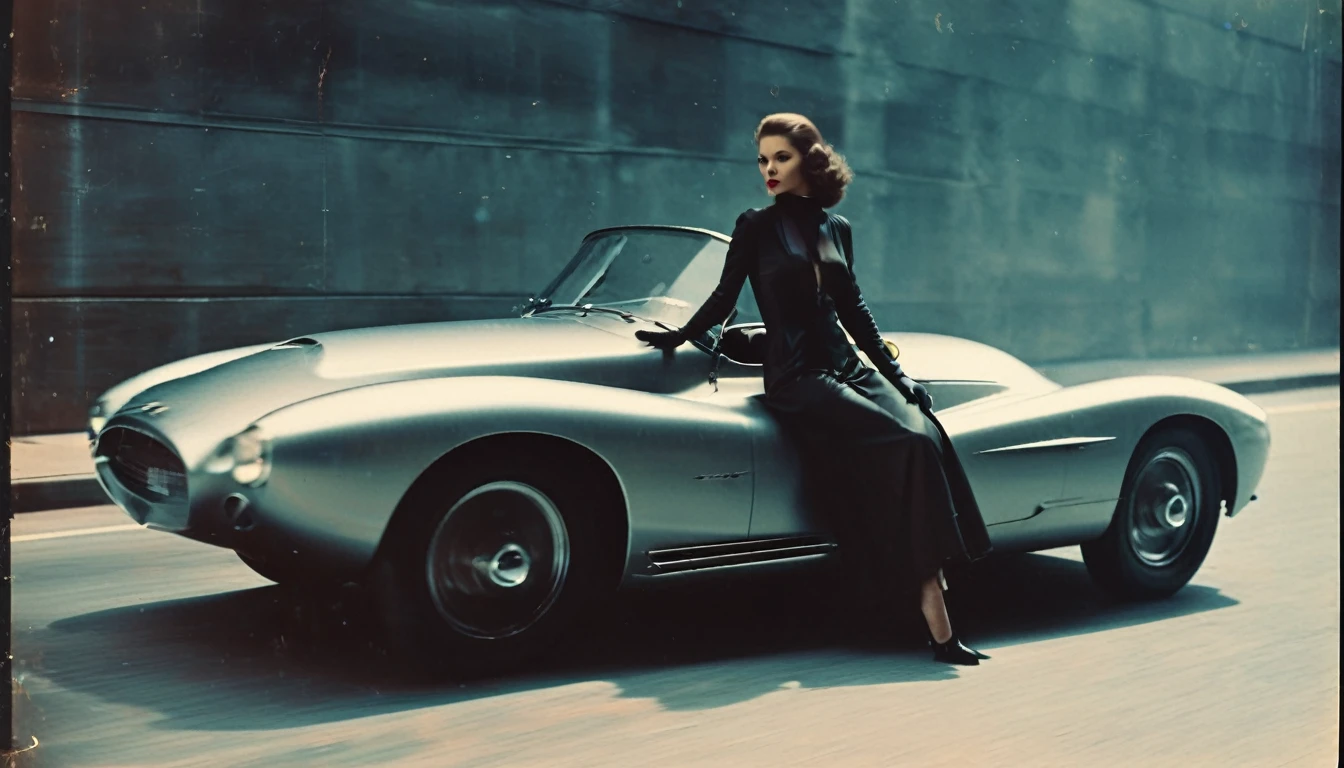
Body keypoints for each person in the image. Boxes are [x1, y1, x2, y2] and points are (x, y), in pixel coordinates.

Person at [635, 113, 994, 665]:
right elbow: (724, 295)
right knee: (911, 445)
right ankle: (935, 612)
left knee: (927, 428)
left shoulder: (837, 228)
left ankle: (931, 597)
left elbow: (855, 312)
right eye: (762, 160)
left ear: (809, 159)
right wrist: (680, 335)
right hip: (798, 376)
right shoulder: (754, 225)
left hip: (847, 365)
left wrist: (899, 377)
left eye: (780, 157)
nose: (768, 170)